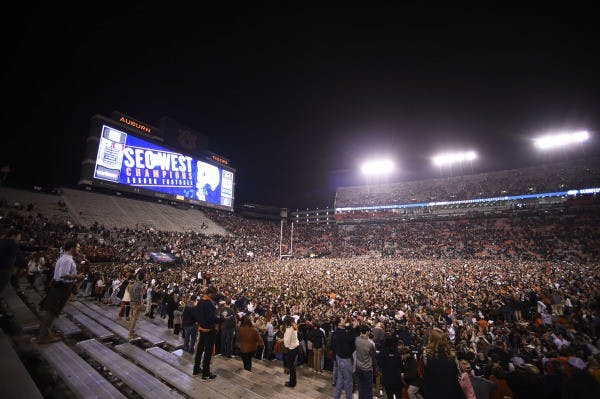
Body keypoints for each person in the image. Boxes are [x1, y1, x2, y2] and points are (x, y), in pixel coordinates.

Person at [37, 240, 84, 344]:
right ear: (71, 248)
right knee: (52, 312)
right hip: (62, 288)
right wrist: (77, 276)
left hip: (59, 287)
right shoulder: (67, 260)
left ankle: (46, 333)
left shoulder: (64, 258)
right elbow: (63, 274)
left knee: (52, 311)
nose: (78, 249)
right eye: (77, 247)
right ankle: (43, 337)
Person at [423, 327, 466, 399]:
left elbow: (424, 375)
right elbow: (458, 374)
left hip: (434, 392)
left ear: (431, 339)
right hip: (453, 392)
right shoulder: (452, 354)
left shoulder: (426, 355)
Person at [192, 285, 220, 379]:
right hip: (209, 330)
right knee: (208, 352)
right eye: (215, 294)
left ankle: (196, 369)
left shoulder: (200, 301)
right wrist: (221, 320)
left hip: (201, 328)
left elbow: (195, 313)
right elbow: (212, 319)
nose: (216, 295)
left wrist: (201, 323)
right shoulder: (210, 304)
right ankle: (206, 373)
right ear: (211, 293)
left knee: (199, 350)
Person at [333, 316, 357, 399]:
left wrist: (351, 326)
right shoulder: (341, 332)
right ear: (339, 323)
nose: (344, 320)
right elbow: (351, 339)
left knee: (340, 378)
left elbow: (347, 328)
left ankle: (337, 396)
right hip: (345, 359)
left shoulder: (338, 330)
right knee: (348, 381)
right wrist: (353, 328)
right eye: (342, 319)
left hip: (339, 357)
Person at [0, 229, 25, 300]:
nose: (20, 238)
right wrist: (23, 266)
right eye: (19, 236)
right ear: (14, 236)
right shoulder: (13, 243)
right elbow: (19, 256)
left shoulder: (2, 241)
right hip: (4, 270)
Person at [355, 324, 376, 399]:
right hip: (367, 368)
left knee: (361, 386)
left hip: (358, 366)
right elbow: (373, 356)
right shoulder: (370, 344)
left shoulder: (356, 339)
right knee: (368, 388)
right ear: (367, 332)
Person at [283, 316, 300, 388]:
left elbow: (287, 343)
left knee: (291, 366)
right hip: (296, 347)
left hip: (292, 349)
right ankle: (292, 381)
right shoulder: (294, 326)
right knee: (292, 365)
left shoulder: (289, 329)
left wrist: (283, 341)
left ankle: (292, 383)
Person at [128, 273, 145, 340]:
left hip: (132, 302)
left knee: (132, 318)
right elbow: (138, 295)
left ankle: (132, 331)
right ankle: (130, 334)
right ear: (143, 279)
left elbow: (129, 292)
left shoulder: (133, 284)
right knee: (134, 319)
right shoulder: (139, 286)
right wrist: (139, 304)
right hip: (136, 304)